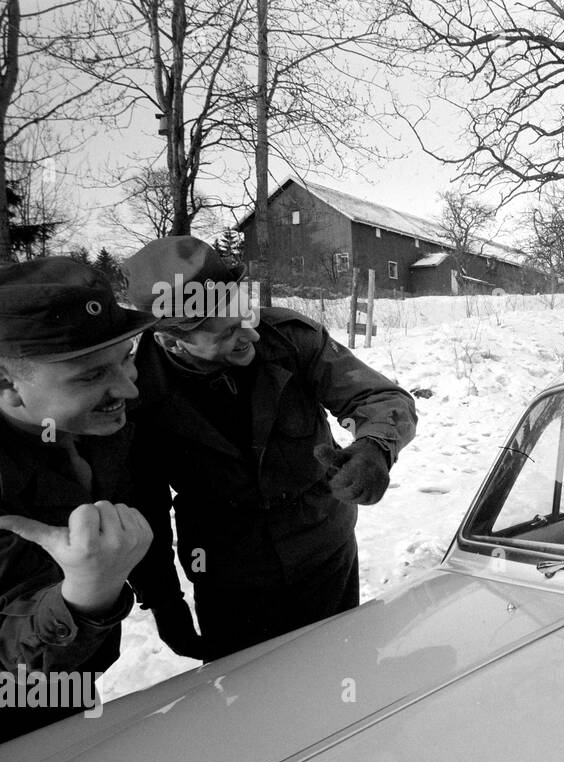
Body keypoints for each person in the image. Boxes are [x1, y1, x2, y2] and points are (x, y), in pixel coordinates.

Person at [120, 236, 417, 662]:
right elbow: (141, 510)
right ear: (171, 342)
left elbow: (379, 399)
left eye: (245, 313)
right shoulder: (135, 393)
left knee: (343, 673)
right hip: (230, 582)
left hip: (324, 554)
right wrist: (165, 604)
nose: (251, 333)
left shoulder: (289, 338)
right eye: (226, 332)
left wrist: (375, 447)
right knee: (252, 710)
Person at [0, 258, 156, 743]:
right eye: (90, 376)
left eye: (126, 357)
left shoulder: (93, 427)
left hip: (69, 706)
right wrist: (83, 599)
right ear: (8, 386)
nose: (128, 388)